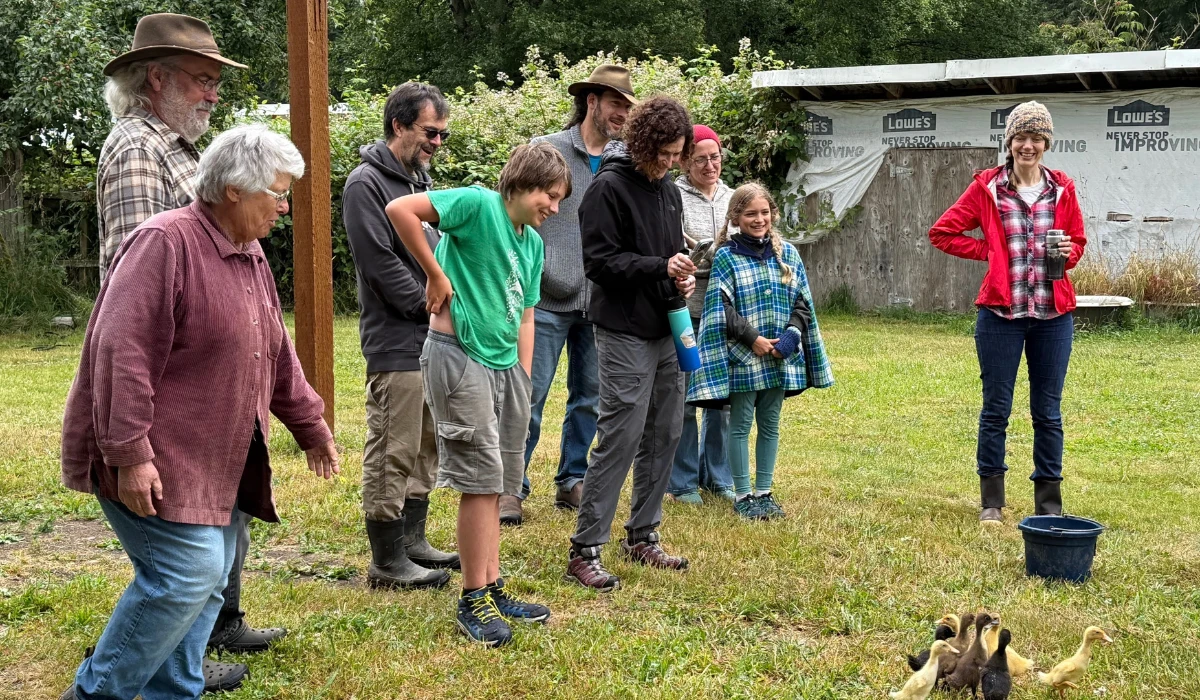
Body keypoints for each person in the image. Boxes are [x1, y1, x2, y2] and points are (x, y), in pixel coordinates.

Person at [58, 126, 340, 700]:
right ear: (234, 189)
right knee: (188, 572)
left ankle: (174, 690)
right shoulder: (165, 243)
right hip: (159, 454)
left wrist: (308, 424)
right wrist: (129, 454)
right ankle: (95, 694)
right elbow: (122, 350)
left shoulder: (249, 253)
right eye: (277, 193)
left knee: (208, 579)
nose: (284, 207)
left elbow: (273, 351)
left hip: (217, 456)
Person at [93, 13, 280, 688]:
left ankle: (183, 668)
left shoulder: (180, 149)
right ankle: (148, 669)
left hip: (208, 384)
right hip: (172, 390)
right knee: (185, 546)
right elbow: (133, 286)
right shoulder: (137, 147)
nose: (212, 94)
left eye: (214, 83)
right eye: (201, 80)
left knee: (217, 523)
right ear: (156, 78)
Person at [385, 142, 570, 646]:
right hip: (458, 353)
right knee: (479, 480)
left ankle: (490, 583)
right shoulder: (477, 203)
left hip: (505, 367)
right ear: (524, 183)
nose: (553, 208)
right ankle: (473, 598)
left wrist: (525, 380)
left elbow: (527, 314)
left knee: (499, 480)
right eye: (550, 197)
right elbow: (400, 209)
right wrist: (435, 272)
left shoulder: (530, 243)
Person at [928, 101, 1087, 524]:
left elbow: (1077, 245)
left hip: (1053, 317)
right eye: (1021, 137)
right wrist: (990, 250)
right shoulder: (988, 187)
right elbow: (942, 232)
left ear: (1047, 143)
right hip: (1001, 314)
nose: (1028, 145)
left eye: (1037, 138)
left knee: (1047, 412)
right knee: (996, 408)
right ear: (1010, 142)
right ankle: (992, 504)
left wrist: (1069, 253)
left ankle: (1048, 505)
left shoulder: (1063, 189)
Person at [565, 96, 696, 592]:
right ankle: (585, 550)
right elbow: (599, 264)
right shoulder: (608, 188)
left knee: (666, 430)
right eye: (662, 153)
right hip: (622, 329)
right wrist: (658, 267)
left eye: (675, 154)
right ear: (641, 142)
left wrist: (677, 274)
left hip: (666, 324)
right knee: (621, 433)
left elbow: (668, 253)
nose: (668, 162)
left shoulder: (669, 192)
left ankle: (643, 536)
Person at [507, 65, 637, 526]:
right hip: (545, 298)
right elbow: (513, 214)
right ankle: (511, 486)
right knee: (529, 393)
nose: (622, 112)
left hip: (602, 301)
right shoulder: (546, 150)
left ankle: (572, 480)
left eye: (627, 105)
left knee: (591, 397)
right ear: (591, 102)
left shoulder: (628, 161)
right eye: (615, 103)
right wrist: (532, 272)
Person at [343, 82, 459, 589]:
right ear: (399, 125)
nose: (437, 143)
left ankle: (414, 542)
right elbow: (378, 264)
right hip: (396, 337)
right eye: (431, 132)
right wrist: (430, 304)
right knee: (394, 443)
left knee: (427, 441)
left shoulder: (421, 182)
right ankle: (387, 560)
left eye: (443, 135)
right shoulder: (365, 184)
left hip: (433, 337)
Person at [687, 183, 834, 519]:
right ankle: (742, 495)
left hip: (782, 355)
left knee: (770, 423)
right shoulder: (726, 256)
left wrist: (792, 335)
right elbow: (720, 305)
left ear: (773, 214)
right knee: (739, 424)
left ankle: (764, 492)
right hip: (745, 356)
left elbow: (802, 300)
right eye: (750, 213)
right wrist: (752, 338)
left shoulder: (788, 255)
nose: (759, 219)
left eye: (764, 212)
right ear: (736, 217)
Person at [667, 124, 736, 505]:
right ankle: (682, 482)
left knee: (722, 399)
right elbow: (678, 250)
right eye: (700, 159)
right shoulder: (673, 195)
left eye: (715, 157)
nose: (709, 165)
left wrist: (711, 252)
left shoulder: (732, 197)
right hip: (688, 311)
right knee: (685, 399)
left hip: (724, 312)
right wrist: (713, 252)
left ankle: (719, 477)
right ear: (685, 161)